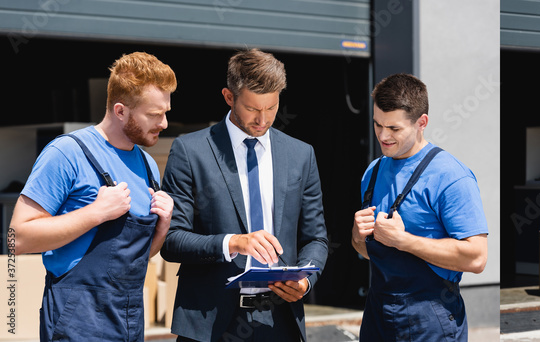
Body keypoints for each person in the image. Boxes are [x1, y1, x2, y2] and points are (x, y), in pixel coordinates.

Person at [160, 48, 328, 341]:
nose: (263, 119)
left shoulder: (301, 155)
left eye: (272, 108)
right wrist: (234, 243)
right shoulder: (190, 151)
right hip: (209, 324)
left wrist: (305, 281)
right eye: (252, 109)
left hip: (280, 323)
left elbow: (316, 237)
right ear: (228, 97)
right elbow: (172, 240)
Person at [10, 52, 176, 340]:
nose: (163, 123)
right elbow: (18, 238)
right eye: (153, 114)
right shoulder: (68, 153)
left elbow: (132, 262)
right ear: (120, 110)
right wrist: (96, 213)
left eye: (165, 112)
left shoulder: (149, 167)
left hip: (129, 321)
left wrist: (162, 229)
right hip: (76, 323)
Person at [351, 73, 488, 341]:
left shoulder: (450, 176)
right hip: (377, 312)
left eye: (394, 129)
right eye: (378, 125)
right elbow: (367, 252)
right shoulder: (372, 172)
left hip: (431, 316)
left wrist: (404, 241)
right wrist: (357, 237)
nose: (383, 136)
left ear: (421, 122)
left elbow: (477, 258)